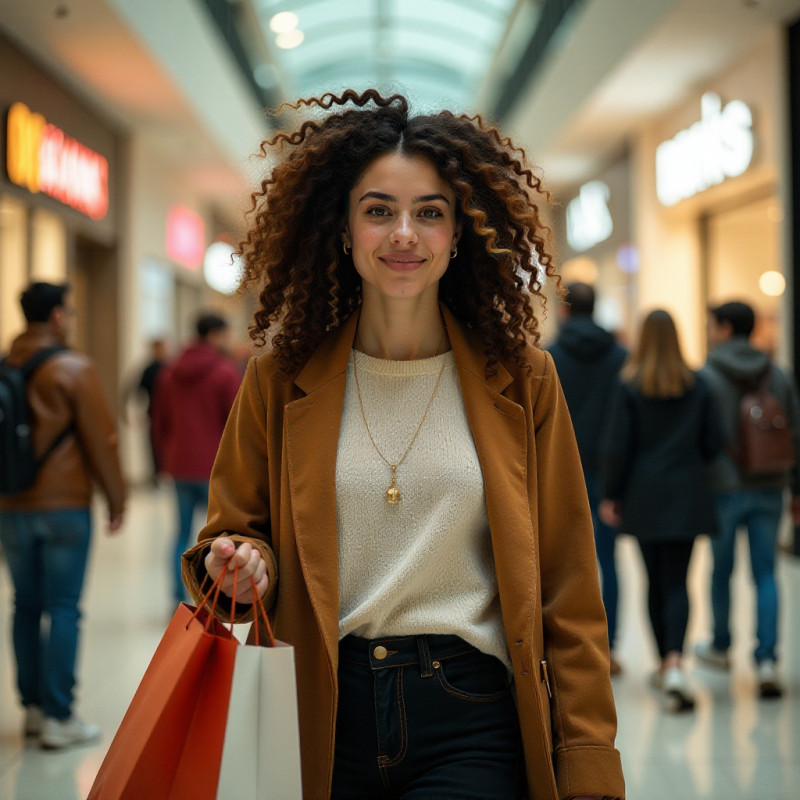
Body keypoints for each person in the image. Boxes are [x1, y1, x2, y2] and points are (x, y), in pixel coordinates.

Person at [181, 89, 624, 800]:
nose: (404, 235)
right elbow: (233, 532)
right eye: (379, 210)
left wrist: (590, 757)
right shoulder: (279, 380)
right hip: (322, 711)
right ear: (343, 228)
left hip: (473, 713)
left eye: (430, 212)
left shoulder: (522, 377)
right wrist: (240, 564)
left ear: (461, 232)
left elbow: (570, 588)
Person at [0, 281, 126, 748]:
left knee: (24, 606)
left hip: (11, 505)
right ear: (56, 315)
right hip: (64, 507)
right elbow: (101, 439)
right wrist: (117, 498)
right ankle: (59, 715)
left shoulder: (4, 364)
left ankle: (31, 709)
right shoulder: (73, 368)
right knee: (64, 608)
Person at [600, 309, 721, 712]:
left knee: (653, 581)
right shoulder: (697, 384)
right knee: (679, 581)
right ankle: (675, 662)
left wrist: (611, 493)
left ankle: (662, 662)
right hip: (687, 493)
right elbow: (714, 442)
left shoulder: (630, 386)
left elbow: (618, 446)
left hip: (644, 495)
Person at [693, 301, 800, 698]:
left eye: (711, 325)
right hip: (771, 485)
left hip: (722, 488)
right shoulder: (778, 375)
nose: (708, 331)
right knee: (766, 573)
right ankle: (768, 659)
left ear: (723, 328)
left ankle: (721, 647)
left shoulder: (705, 375)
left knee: (721, 572)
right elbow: (796, 434)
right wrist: (796, 489)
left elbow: (700, 438)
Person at [548, 282, 627, 675]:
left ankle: (574, 650)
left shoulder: (550, 357)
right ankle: (608, 649)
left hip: (561, 471)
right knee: (609, 562)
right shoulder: (620, 357)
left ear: (564, 311)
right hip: (611, 472)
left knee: (565, 563)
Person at [152, 312, 240, 606]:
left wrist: (162, 460)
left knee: (180, 531)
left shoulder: (169, 373)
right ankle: (211, 596)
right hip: (215, 467)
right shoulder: (224, 373)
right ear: (215, 335)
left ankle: (178, 597)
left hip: (179, 465)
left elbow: (160, 421)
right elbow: (237, 424)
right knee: (218, 537)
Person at [127, 337, 169, 485]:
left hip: (170, 416)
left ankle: (167, 474)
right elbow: (138, 392)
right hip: (154, 414)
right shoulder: (149, 370)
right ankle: (157, 476)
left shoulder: (171, 367)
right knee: (154, 446)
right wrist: (136, 414)